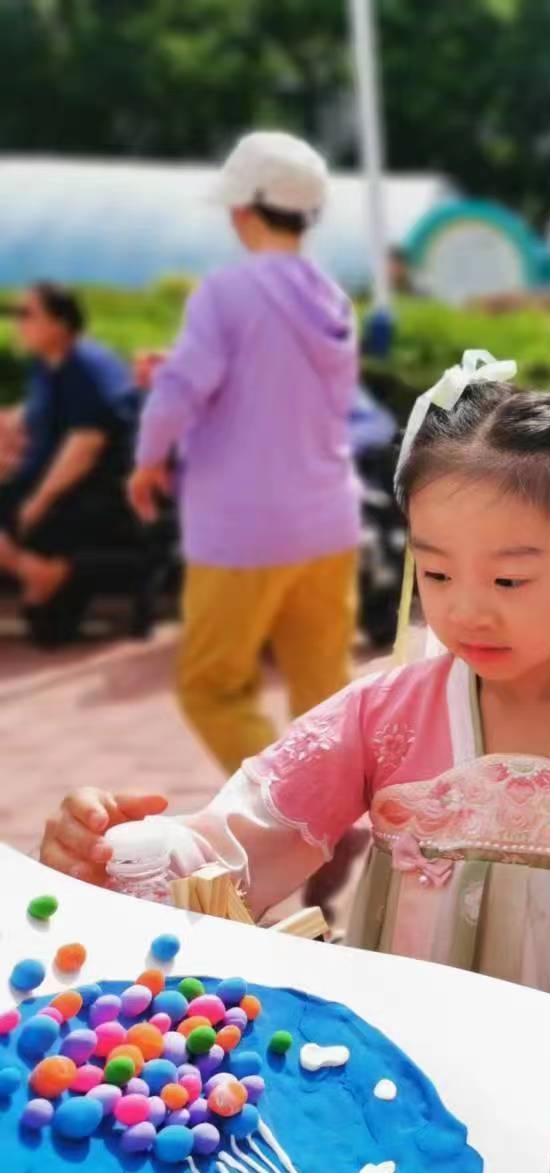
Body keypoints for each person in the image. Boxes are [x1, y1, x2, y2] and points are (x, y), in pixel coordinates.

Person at [40, 345, 550, 1142]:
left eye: (508, 580)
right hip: (399, 1078)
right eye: (436, 575)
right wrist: (125, 849)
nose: (466, 612)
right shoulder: (384, 713)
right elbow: (250, 838)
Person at [129, 131, 362, 775]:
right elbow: (280, 389)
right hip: (328, 525)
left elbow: (181, 393)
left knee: (211, 689)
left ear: (243, 210)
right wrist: (181, 371)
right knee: (324, 693)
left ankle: (292, 809)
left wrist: (149, 458)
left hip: (243, 531)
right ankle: (335, 810)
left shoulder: (226, 294)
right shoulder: (333, 301)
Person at [0, 282, 140, 642]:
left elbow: (85, 447)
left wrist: (37, 502)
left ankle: (40, 577)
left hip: (91, 494)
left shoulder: (87, 367)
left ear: (60, 323)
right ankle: (41, 580)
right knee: (47, 630)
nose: (18, 323)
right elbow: (33, 416)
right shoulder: (49, 365)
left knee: (46, 628)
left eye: (27, 314)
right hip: (60, 486)